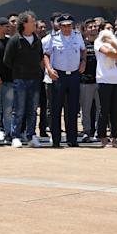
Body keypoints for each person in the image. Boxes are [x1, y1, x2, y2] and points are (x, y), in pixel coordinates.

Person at [43, 14, 86, 147]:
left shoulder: (77, 35)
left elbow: (83, 50)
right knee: (56, 108)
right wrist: (49, 69)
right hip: (59, 75)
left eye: (69, 25)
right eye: (64, 26)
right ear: (59, 26)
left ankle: (72, 139)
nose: (67, 28)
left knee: (72, 109)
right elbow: (46, 54)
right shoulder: (53, 37)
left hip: (73, 75)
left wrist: (83, 62)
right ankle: (56, 139)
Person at [3, 11, 44, 148]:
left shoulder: (37, 40)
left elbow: (40, 57)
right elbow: (7, 60)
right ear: (24, 23)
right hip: (20, 80)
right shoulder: (15, 40)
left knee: (32, 110)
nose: (35, 24)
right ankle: (16, 136)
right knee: (18, 110)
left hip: (35, 79)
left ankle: (31, 136)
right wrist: (19, 70)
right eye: (32, 21)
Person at [95, 28, 117, 147]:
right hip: (104, 79)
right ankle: (102, 136)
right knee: (104, 109)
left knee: (116, 110)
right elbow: (107, 52)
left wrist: (112, 43)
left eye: (110, 29)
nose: (109, 31)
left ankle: (114, 137)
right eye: (106, 28)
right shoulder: (98, 41)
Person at [80, 18, 100, 142]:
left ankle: (99, 132)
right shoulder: (82, 44)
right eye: (90, 27)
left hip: (101, 80)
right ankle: (87, 132)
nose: (93, 29)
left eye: (95, 26)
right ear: (85, 30)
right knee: (86, 109)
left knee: (101, 109)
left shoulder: (102, 43)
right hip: (85, 81)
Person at [36, 19, 50, 138]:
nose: (43, 29)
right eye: (40, 27)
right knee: (32, 106)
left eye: (44, 27)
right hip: (33, 77)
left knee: (45, 106)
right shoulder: (34, 42)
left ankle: (43, 129)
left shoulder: (48, 41)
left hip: (44, 77)